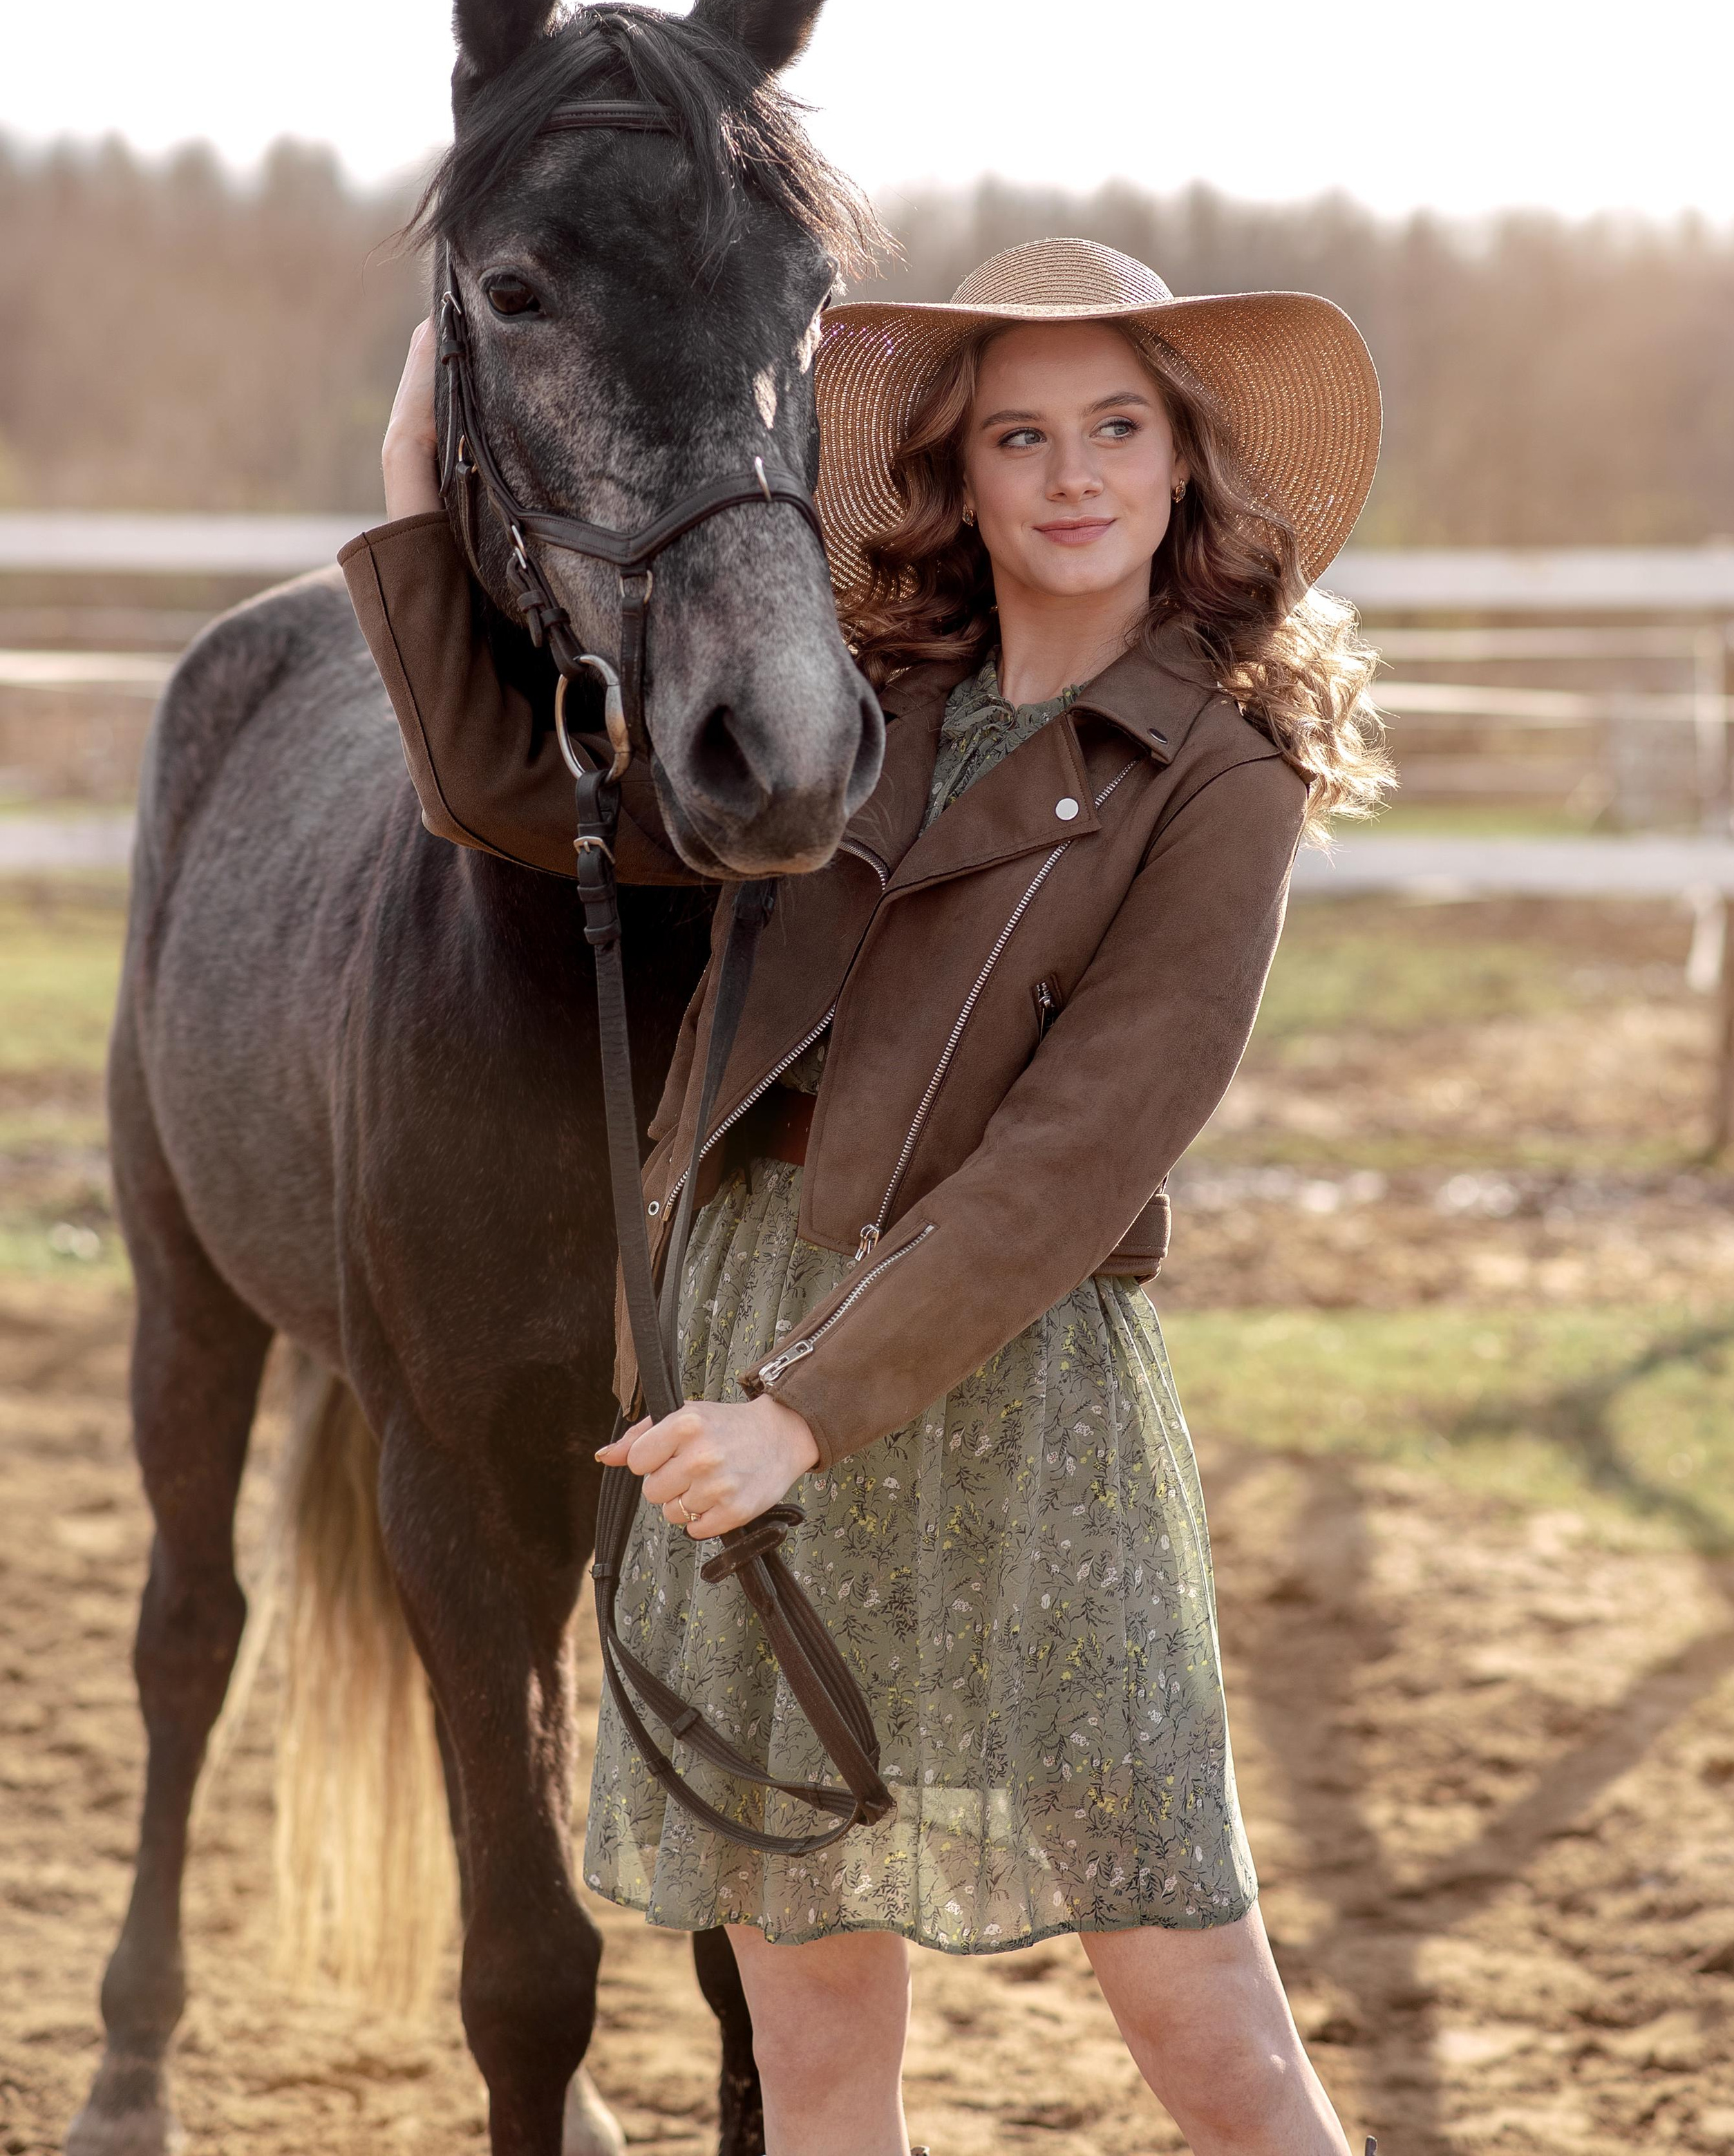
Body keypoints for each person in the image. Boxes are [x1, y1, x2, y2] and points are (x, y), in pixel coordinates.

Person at [346, 235, 1389, 2156]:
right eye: (1020, 434)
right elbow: (522, 791)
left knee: (1211, 2025)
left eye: (1116, 426)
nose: (1072, 475)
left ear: (1184, 463)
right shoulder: (844, 695)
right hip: (738, 1332)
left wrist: (798, 1413)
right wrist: (418, 496)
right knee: (817, 2048)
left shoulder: (1219, 770)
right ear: (961, 473)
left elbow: (1075, 1158)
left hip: (1000, 1398)